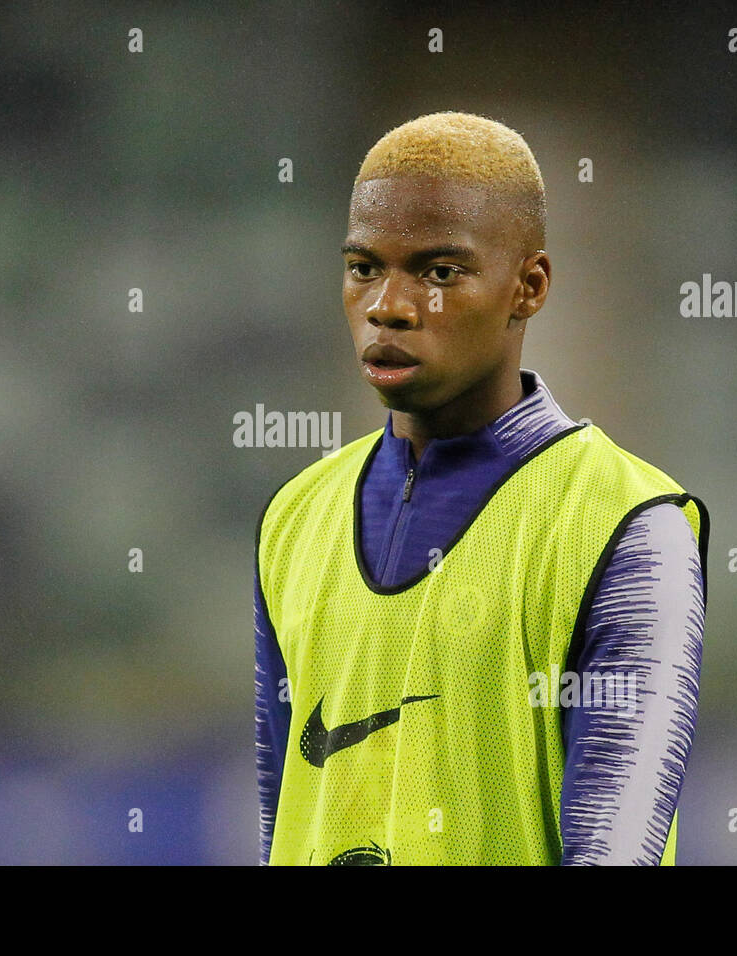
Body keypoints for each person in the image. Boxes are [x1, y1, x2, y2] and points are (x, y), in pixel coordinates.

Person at [253, 111, 710, 865]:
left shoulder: (627, 526)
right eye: (365, 267)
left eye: (438, 272)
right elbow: (283, 832)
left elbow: (616, 850)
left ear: (528, 286)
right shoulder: (293, 517)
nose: (388, 306)